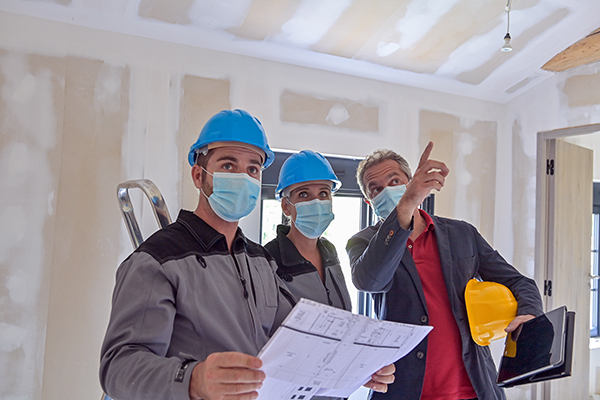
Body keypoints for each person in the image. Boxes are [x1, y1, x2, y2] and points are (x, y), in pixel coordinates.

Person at [100, 109, 296, 400]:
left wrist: (350, 364)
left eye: (253, 169)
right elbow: (118, 368)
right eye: (228, 165)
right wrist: (193, 380)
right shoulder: (158, 260)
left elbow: (292, 339)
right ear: (198, 175)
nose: (243, 177)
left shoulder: (261, 261)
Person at [346, 142, 544, 400]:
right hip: (405, 389)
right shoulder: (363, 242)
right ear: (369, 201)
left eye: (394, 181)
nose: (387, 191)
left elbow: (518, 281)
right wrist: (405, 206)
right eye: (376, 189)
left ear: (410, 182)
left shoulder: (462, 233)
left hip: (475, 388)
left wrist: (529, 313)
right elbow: (370, 280)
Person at [264, 150, 395, 395]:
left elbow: (341, 330)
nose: (316, 202)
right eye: (304, 194)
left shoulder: (330, 253)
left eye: (324, 193)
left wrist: (362, 368)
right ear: (285, 206)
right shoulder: (265, 260)